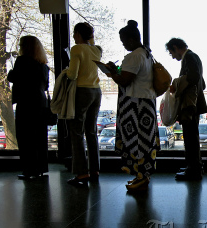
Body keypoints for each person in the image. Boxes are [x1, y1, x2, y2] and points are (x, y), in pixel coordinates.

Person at [105, 20, 159, 191]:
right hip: (145, 103)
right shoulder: (146, 53)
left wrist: (113, 72)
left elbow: (125, 80)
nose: (123, 45)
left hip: (136, 106)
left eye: (123, 41)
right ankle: (143, 176)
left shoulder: (135, 55)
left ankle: (141, 177)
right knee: (144, 141)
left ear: (130, 39)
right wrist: (117, 71)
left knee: (137, 142)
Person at [65, 23, 103, 186]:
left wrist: (65, 72)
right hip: (96, 92)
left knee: (77, 131)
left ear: (79, 34)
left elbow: (73, 74)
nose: (73, 37)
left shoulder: (76, 49)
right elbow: (92, 44)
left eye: (74, 33)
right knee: (91, 131)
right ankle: (94, 169)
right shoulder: (96, 50)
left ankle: (82, 173)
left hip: (82, 91)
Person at [8, 36, 50, 180]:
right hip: (41, 102)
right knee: (39, 136)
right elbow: (46, 85)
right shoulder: (44, 65)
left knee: (25, 137)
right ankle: (41, 168)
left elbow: (12, 77)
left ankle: (29, 170)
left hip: (26, 102)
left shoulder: (22, 61)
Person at [166, 38, 207, 180]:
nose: (173, 56)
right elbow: (202, 82)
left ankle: (193, 170)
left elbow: (194, 77)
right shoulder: (194, 56)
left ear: (176, 47)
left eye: (172, 53)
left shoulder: (189, 57)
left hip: (190, 105)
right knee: (192, 137)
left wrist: (177, 83)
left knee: (190, 138)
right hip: (194, 103)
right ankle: (194, 166)